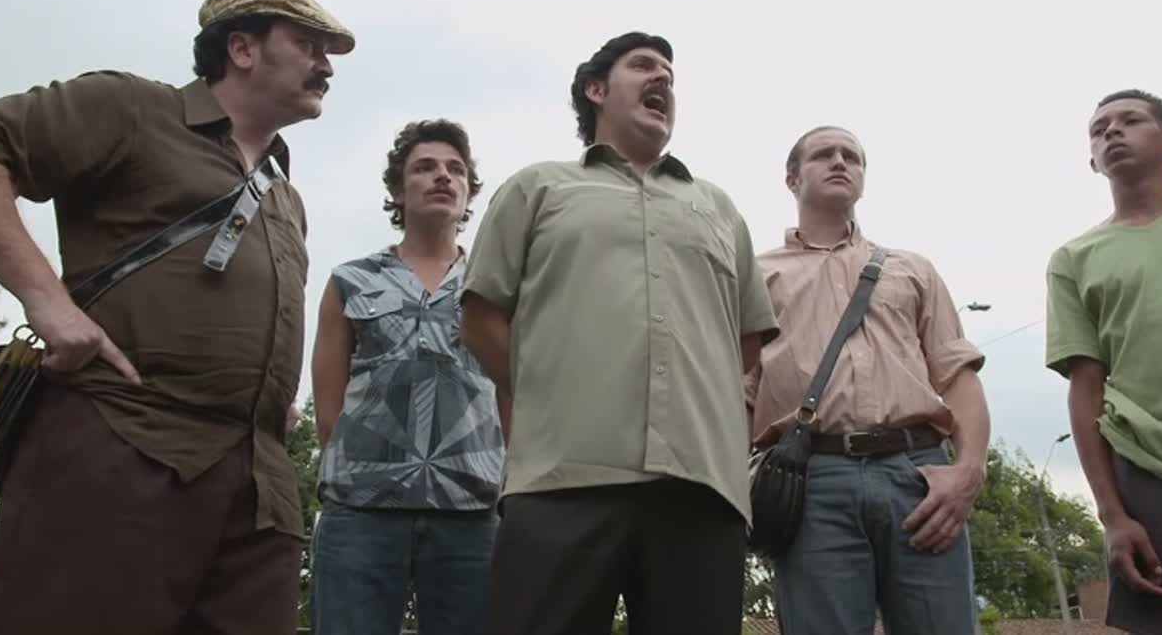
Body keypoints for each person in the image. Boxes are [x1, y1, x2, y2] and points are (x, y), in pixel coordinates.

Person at [0, 0, 354, 635]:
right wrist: (45, 299)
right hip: (122, 447)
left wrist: (264, 390)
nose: (326, 65)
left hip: (259, 489)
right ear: (242, 48)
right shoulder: (132, 108)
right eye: (308, 45)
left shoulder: (284, 193)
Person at [459, 31, 780, 635]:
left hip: (701, 487)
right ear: (596, 90)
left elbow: (743, 343)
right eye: (642, 66)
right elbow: (480, 318)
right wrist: (554, 395)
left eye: (670, 75)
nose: (663, 79)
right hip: (559, 480)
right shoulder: (537, 187)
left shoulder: (718, 208)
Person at [747, 126, 990, 634]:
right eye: (824, 154)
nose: (840, 161)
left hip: (920, 477)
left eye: (851, 156)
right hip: (809, 482)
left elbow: (957, 375)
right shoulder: (756, 275)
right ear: (792, 179)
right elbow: (739, 393)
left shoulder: (913, 269)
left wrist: (968, 471)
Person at [308, 119, 503, 635]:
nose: (443, 177)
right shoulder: (351, 281)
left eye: (456, 170)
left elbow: (515, 391)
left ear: (469, 193)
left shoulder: (497, 287)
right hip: (361, 510)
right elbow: (327, 410)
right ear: (398, 189)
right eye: (425, 167)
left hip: (473, 510)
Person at [1046, 89, 1162, 635]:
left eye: (1130, 120)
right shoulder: (1073, 260)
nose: (1112, 131)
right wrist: (1113, 516)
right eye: (1099, 129)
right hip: (1152, 471)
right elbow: (1086, 387)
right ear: (1093, 160)